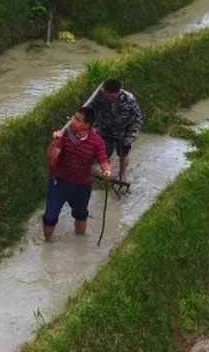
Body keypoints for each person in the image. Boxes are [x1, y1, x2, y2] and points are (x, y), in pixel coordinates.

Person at [44, 106, 113, 242]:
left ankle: (80, 242)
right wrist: (55, 141)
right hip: (59, 182)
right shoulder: (64, 134)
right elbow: (51, 157)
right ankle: (47, 243)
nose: (72, 121)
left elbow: (103, 160)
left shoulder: (96, 142)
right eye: (73, 118)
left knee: (80, 214)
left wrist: (107, 171)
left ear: (86, 125)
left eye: (77, 120)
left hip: (81, 185)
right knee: (50, 217)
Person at [91, 79, 143, 182]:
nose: (109, 99)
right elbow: (92, 112)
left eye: (112, 96)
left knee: (123, 153)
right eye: (107, 96)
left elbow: (138, 119)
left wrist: (131, 136)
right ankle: (105, 173)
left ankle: (122, 175)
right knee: (104, 152)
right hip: (106, 129)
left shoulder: (129, 99)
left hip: (125, 130)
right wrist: (93, 127)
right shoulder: (99, 96)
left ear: (118, 92)